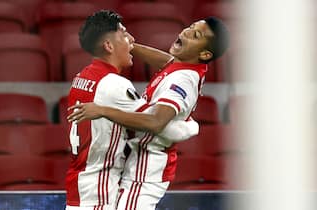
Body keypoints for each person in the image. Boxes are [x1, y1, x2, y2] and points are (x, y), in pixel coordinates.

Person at [68, 17, 230, 210]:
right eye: (190, 27)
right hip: (135, 164)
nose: (186, 32)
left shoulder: (181, 81)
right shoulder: (184, 66)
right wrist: (126, 45)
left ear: (204, 54)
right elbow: (167, 62)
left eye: (195, 35)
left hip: (146, 169)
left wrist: (103, 110)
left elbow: (155, 123)